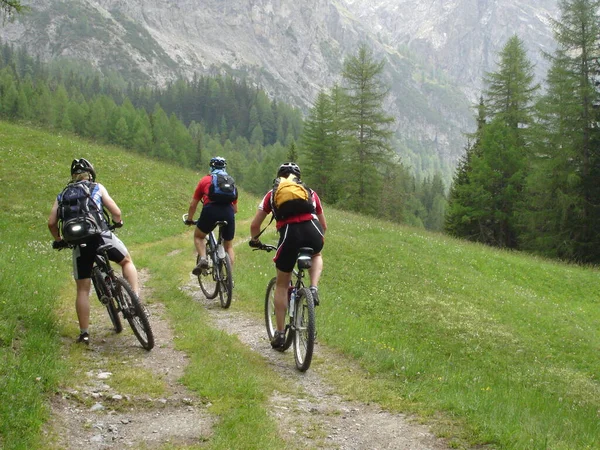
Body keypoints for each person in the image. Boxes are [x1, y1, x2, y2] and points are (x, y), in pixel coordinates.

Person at [48, 158, 139, 345]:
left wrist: (59, 240)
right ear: (90, 173)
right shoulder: (97, 187)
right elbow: (116, 211)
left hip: (80, 244)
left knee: (82, 288)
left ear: (72, 176)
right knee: (126, 261)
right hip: (101, 236)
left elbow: (51, 222)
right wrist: (117, 222)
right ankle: (135, 301)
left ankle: (84, 334)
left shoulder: (63, 194)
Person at [249, 162, 327, 349]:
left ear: (280, 176)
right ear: (298, 177)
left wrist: (255, 240)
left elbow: (254, 226)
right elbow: (324, 225)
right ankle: (313, 287)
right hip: (313, 231)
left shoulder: (272, 193)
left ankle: (281, 333)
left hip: (290, 234)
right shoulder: (310, 192)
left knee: (282, 284)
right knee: (317, 255)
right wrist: (316, 238)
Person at [185, 156, 238, 275]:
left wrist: (189, 219)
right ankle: (229, 275)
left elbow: (193, 204)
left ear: (211, 167)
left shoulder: (205, 180)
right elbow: (235, 209)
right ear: (224, 168)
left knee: (199, 236)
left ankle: (203, 258)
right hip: (228, 212)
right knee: (228, 246)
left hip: (210, 211)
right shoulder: (230, 181)